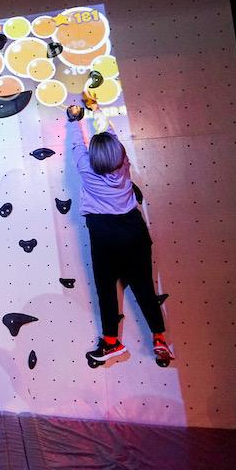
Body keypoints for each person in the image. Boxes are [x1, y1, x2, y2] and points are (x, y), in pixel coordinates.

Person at [66, 98, 173, 364]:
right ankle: (160, 340)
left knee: (106, 289)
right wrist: (96, 109)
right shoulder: (123, 161)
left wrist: (74, 119)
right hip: (133, 229)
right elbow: (109, 132)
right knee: (144, 288)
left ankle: (111, 342)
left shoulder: (86, 168)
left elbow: (77, 144)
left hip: (103, 233)